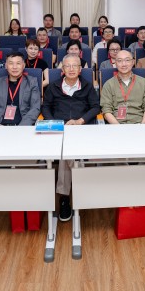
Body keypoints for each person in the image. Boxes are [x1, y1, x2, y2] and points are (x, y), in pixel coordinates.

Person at [42, 54, 101, 221]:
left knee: (66, 156)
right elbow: (46, 107)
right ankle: (71, 194)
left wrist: (80, 121)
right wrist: (55, 123)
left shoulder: (87, 86)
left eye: (75, 66)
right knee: (66, 154)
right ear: (62, 69)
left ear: (80, 69)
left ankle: (65, 194)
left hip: (81, 127)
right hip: (60, 128)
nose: (71, 69)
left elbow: (95, 107)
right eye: (67, 66)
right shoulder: (53, 86)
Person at [0, 52, 41, 126]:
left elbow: (35, 108)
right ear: (6, 66)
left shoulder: (32, 82)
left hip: (22, 126)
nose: (14, 67)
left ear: (23, 65)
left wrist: (21, 127)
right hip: (0, 126)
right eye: (11, 63)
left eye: (18, 63)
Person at [100, 50, 145, 124]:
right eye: (120, 61)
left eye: (127, 60)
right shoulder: (108, 85)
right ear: (115, 63)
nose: (124, 64)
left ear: (133, 62)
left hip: (140, 124)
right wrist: (119, 128)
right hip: (116, 125)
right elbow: (106, 110)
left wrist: (142, 126)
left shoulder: (144, 83)